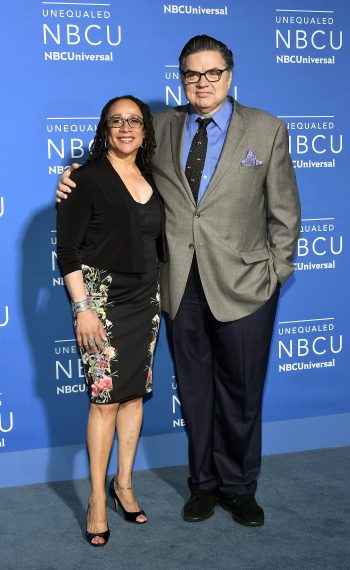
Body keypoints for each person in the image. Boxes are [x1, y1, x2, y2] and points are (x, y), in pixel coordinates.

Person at [57, 35, 301, 527]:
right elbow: (119, 167)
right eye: (192, 73)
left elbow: (285, 212)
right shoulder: (162, 126)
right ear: (181, 78)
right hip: (178, 285)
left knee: (242, 393)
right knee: (194, 392)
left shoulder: (267, 128)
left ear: (229, 76)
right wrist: (72, 174)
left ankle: (239, 487)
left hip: (247, 285)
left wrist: (275, 273)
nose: (202, 82)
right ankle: (204, 485)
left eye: (212, 73)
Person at [56, 95, 166, 546]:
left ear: (144, 129)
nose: (125, 128)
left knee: (134, 397)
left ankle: (124, 485)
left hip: (147, 298)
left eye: (134, 121)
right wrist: (82, 308)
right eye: (116, 121)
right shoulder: (84, 179)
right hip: (101, 300)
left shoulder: (154, 176)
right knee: (104, 402)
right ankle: (98, 499)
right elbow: (68, 250)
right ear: (105, 127)